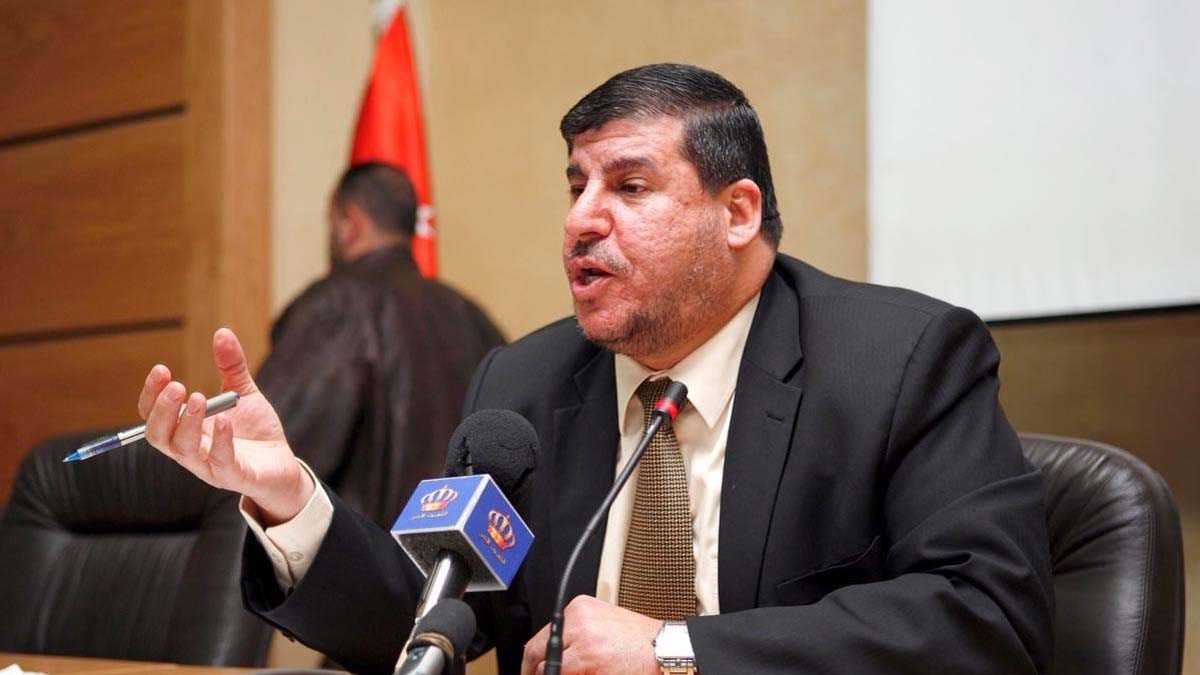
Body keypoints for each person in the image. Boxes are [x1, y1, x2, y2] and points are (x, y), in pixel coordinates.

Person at [136, 64, 1053, 675]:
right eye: (576, 185)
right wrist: (291, 499)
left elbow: (989, 618)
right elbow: (425, 624)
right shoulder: (524, 386)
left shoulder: (899, 361)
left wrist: (672, 651)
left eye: (629, 186)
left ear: (737, 213)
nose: (581, 218)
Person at [255, 162, 504, 528]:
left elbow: (264, 454)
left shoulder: (337, 307)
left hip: (361, 557)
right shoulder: (472, 317)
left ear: (350, 223)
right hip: (464, 557)